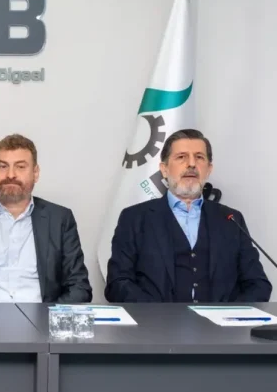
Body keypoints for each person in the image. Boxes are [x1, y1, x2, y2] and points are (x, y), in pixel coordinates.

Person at [105, 129, 272, 302]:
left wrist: (231, 315)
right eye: (181, 157)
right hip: (155, 318)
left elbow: (258, 284)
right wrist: (155, 314)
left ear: (209, 169)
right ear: (164, 169)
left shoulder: (231, 219)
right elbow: (118, 283)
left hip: (221, 319)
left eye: (199, 157)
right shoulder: (134, 218)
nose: (191, 164)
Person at [0, 134, 92, 303]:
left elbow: (79, 287)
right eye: (3, 166)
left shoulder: (60, 219)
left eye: (20, 167)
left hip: (41, 316)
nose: (10, 174)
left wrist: (47, 315)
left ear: (35, 173)